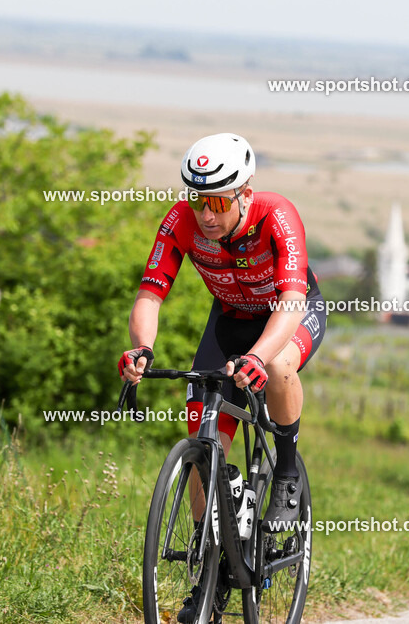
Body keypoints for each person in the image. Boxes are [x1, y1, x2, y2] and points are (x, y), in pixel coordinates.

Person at [119, 132, 326, 528]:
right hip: (229, 321)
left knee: (280, 366)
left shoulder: (276, 214)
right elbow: (150, 294)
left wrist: (257, 357)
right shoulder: (180, 222)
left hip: (290, 315)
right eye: (196, 200)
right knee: (203, 440)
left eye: (216, 202)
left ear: (245, 195)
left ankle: (285, 475)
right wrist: (142, 348)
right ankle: (209, 561)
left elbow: (292, 301)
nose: (205, 215)